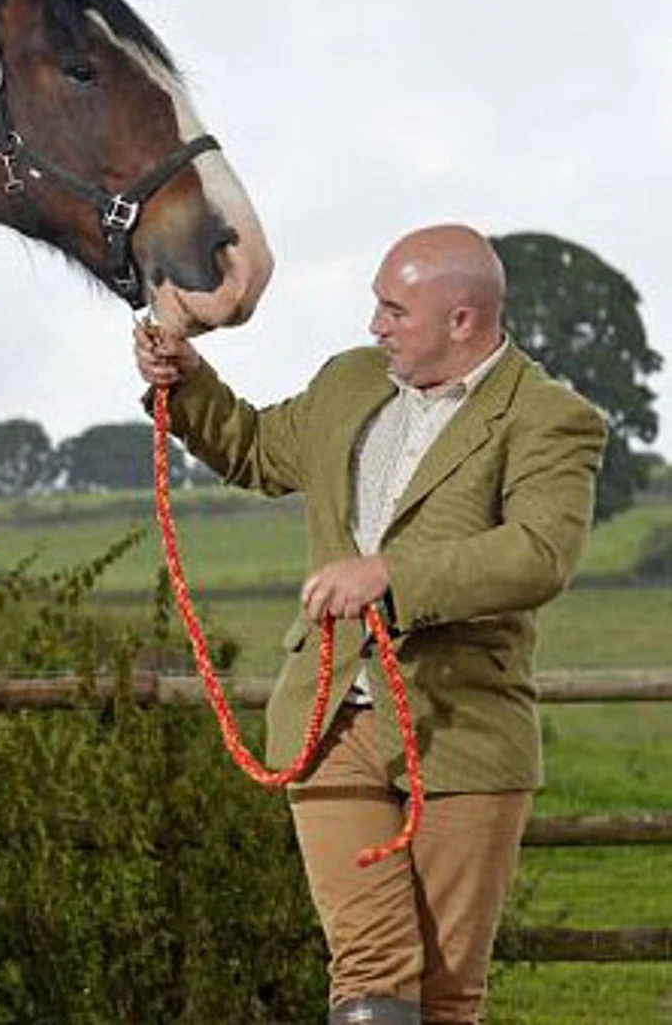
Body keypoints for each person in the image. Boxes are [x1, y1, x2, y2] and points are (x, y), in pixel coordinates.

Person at [134, 224, 605, 1025]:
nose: (374, 325)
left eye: (394, 310)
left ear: (462, 320)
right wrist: (190, 379)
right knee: (370, 968)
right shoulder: (349, 380)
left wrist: (391, 576)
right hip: (330, 720)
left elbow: (538, 554)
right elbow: (254, 448)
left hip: (462, 728)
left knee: (446, 992)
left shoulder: (549, 417)